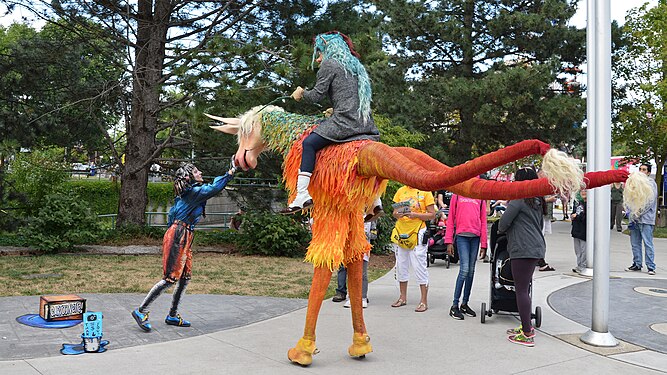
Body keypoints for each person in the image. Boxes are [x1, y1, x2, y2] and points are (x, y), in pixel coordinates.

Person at [131, 162, 236, 332]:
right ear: (188, 176)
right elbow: (214, 188)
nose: (200, 172)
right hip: (179, 234)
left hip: (183, 234)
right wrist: (230, 172)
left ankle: (172, 315)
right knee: (171, 277)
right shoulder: (194, 193)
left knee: (185, 277)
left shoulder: (186, 195)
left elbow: (172, 216)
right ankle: (141, 311)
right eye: (196, 171)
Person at [287, 31, 381, 216]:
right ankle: (375, 200)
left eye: (319, 53)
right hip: (366, 124)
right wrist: (334, 109)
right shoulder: (356, 66)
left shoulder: (330, 64)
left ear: (327, 50)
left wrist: (301, 94)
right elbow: (352, 97)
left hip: (345, 123)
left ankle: (302, 194)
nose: (318, 59)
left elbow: (316, 96)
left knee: (309, 143)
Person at [498, 167, 546, 347]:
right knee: (524, 288)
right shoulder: (537, 200)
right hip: (535, 247)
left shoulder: (518, 200)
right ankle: (526, 326)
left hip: (522, 248)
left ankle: (527, 333)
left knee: (521, 290)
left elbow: (503, 224)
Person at [390, 185, 435, 312]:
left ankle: (423, 301)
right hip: (401, 232)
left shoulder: (426, 191)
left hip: (417, 232)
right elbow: (394, 213)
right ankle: (402, 297)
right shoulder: (400, 191)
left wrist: (415, 214)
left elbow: (432, 214)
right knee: (401, 265)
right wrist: (399, 213)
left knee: (419, 265)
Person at [444, 193, 487, 319]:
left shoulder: (480, 196)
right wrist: (449, 241)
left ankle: (465, 303)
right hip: (462, 236)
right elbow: (451, 218)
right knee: (464, 270)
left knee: (471, 271)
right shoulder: (457, 195)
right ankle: (454, 305)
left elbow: (483, 220)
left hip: (475, 238)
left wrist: (484, 244)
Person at [626, 163, 658, 275]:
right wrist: (630, 212)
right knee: (635, 243)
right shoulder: (635, 183)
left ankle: (651, 266)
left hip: (646, 219)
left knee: (647, 243)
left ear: (648, 172)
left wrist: (638, 213)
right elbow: (630, 198)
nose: (641, 171)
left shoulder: (651, 184)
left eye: (644, 169)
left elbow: (650, 202)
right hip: (634, 219)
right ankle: (637, 263)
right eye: (640, 169)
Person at [570, 190, 587, 274]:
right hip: (576, 229)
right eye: (582, 191)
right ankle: (579, 265)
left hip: (584, 230)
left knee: (584, 250)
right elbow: (573, 213)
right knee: (578, 250)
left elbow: (585, 217)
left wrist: (577, 216)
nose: (584, 192)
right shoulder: (577, 203)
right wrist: (573, 216)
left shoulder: (589, 205)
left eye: (586, 191)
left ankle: (583, 266)